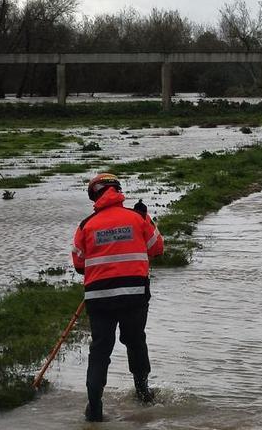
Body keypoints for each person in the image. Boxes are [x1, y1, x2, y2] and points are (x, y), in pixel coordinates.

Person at [71, 173, 163, 422]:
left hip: (98, 298)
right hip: (134, 295)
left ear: (95, 195)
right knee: (135, 342)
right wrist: (147, 221)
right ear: (117, 191)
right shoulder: (138, 217)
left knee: (100, 349)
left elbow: (79, 263)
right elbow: (157, 248)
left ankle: (94, 407)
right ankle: (144, 393)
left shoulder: (85, 226)